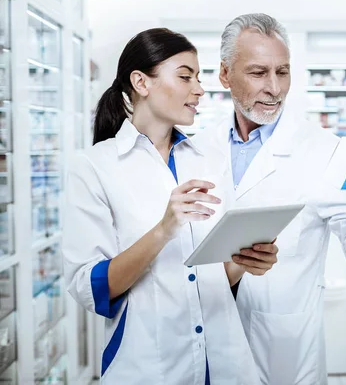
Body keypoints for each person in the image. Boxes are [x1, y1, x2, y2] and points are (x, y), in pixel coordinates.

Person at [62, 28, 278, 385]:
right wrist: (164, 229)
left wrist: (243, 263)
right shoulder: (95, 166)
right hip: (149, 364)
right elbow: (90, 286)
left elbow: (211, 277)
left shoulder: (209, 160)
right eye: (185, 76)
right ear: (141, 82)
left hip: (224, 361)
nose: (199, 89)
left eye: (199, 77)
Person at [192, 14, 346, 384]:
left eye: (282, 72)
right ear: (225, 75)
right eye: (258, 73)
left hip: (284, 350)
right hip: (202, 341)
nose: (274, 88)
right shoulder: (195, 149)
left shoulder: (326, 150)